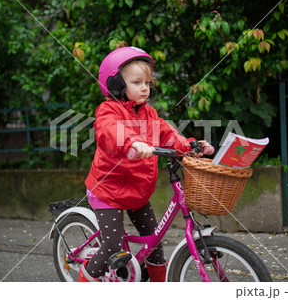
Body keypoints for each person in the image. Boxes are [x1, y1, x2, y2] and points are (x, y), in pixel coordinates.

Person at [80, 46, 210, 282]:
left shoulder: (150, 115)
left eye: (148, 83)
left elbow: (170, 135)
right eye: (137, 82)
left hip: (137, 192)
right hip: (107, 191)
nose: (144, 88)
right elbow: (109, 131)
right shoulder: (108, 110)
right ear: (117, 85)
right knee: (111, 246)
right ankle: (85, 281)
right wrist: (133, 142)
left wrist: (192, 146)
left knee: (154, 240)